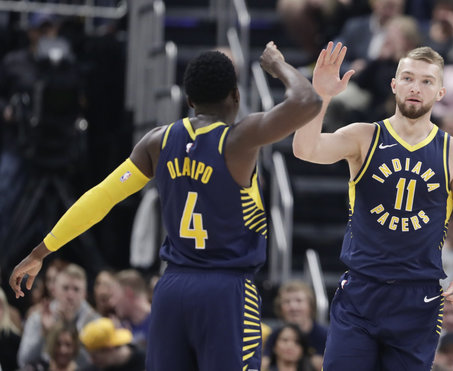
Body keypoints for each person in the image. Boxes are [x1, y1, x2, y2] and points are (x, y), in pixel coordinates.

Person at [9, 41, 322, 371]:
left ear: (188, 100)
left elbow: (101, 197)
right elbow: (308, 100)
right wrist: (279, 66)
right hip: (225, 289)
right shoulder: (239, 139)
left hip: (172, 290)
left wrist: (41, 252)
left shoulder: (157, 141)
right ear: (236, 96)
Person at [292, 42, 453, 370]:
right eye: (408, 78)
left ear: (440, 92)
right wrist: (321, 96)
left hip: (418, 298)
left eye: (427, 81)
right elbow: (305, 149)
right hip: (361, 292)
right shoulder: (363, 136)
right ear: (394, 84)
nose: (416, 87)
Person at [261, 280, 328, 371]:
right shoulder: (275, 335)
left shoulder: (325, 336)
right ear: (280, 308)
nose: (293, 307)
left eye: (299, 301)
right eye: (287, 302)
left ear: (311, 305)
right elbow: (264, 364)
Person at [79, 317, 145, 371]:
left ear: (109, 348)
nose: (91, 361)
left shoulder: (148, 362)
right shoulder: (97, 368)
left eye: (94, 356)